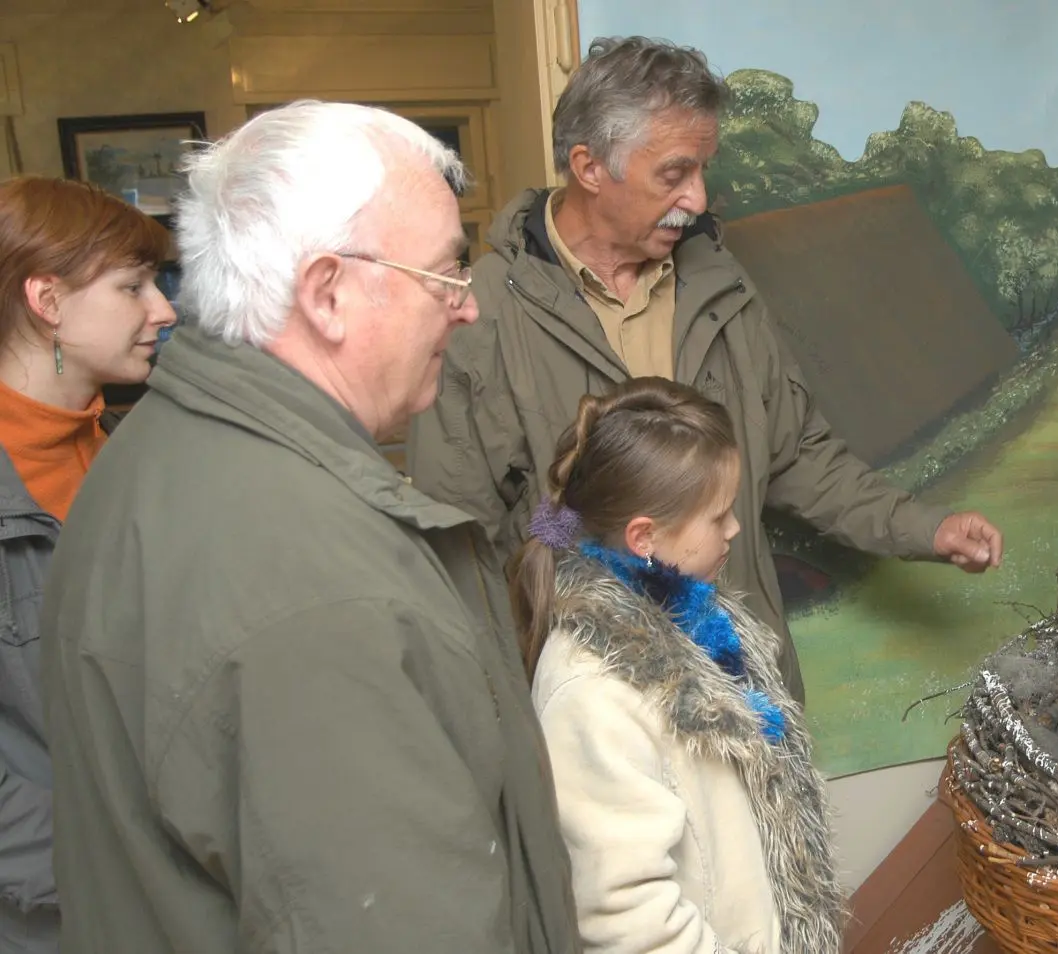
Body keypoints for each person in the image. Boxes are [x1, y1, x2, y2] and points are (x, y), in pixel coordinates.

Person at [38, 101, 579, 953]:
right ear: (328, 293)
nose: (465, 310)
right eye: (445, 277)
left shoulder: (158, 448)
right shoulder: (316, 591)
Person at [408, 36, 1004, 705]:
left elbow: (798, 454)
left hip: (739, 694)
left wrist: (925, 528)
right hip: (591, 705)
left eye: (703, 170)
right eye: (673, 173)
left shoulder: (723, 285)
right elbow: (460, 543)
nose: (697, 198)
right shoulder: (479, 314)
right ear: (589, 167)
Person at [515, 376, 844, 953]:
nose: (734, 529)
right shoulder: (590, 693)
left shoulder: (701, 628)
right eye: (718, 517)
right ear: (645, 536)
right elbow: (628, 921)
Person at [0, 176, 176, 954]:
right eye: (132, 287)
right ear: (48, 301)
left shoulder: (130, 458)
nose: (163, 310)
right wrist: (117, 873)